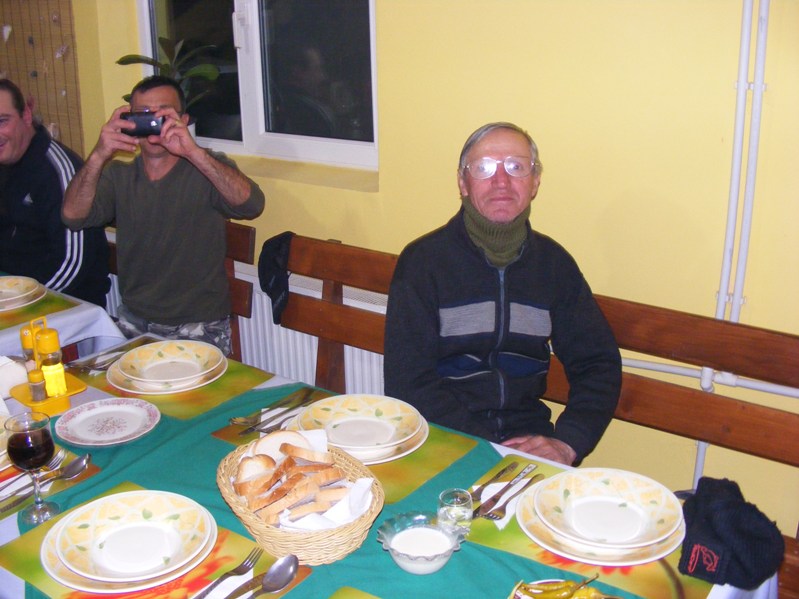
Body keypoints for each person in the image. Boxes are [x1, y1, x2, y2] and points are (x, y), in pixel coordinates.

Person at [384, 122, 621, 465]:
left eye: (516, 166)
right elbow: (409, 382)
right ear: (463, 183)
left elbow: (598, 364)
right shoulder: (424, 263)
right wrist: (487, 450)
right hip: (442, 438)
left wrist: (567, 442)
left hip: (527, 440)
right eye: (483, 168)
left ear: (535, 181)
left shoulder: (554, 266)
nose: (501, 181)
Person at [62, 76, 265, 355]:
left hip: (198, 324)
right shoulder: (119, 175)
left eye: (163, 115)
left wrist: (192, 151)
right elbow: (72, 216)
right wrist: (99, 154)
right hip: (134, 320)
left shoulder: (205, 168)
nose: (153, 124)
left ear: (183, 119)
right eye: (143, 115)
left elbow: (252, 205)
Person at [0, 79, 110, 306]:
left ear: (26, 115)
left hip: (64, 303)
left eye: (2, 121)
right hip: (11, 292)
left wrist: (21, 302)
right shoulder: (6, 162)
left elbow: (73, 264)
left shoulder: (58, 171)